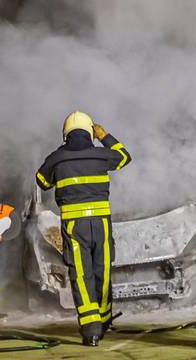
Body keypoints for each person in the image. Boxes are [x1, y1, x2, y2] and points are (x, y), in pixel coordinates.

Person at [35, 111, 132, 346]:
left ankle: (91, 331)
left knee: (81, 275)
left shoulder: (56, 159)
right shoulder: (101, 155)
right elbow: (124, 157)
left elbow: (42, 180)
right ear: (90, 132)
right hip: (101, 224)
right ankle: (105, 320)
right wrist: (104, 136)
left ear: (66, 134)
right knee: (103, 271)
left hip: (74, 226)